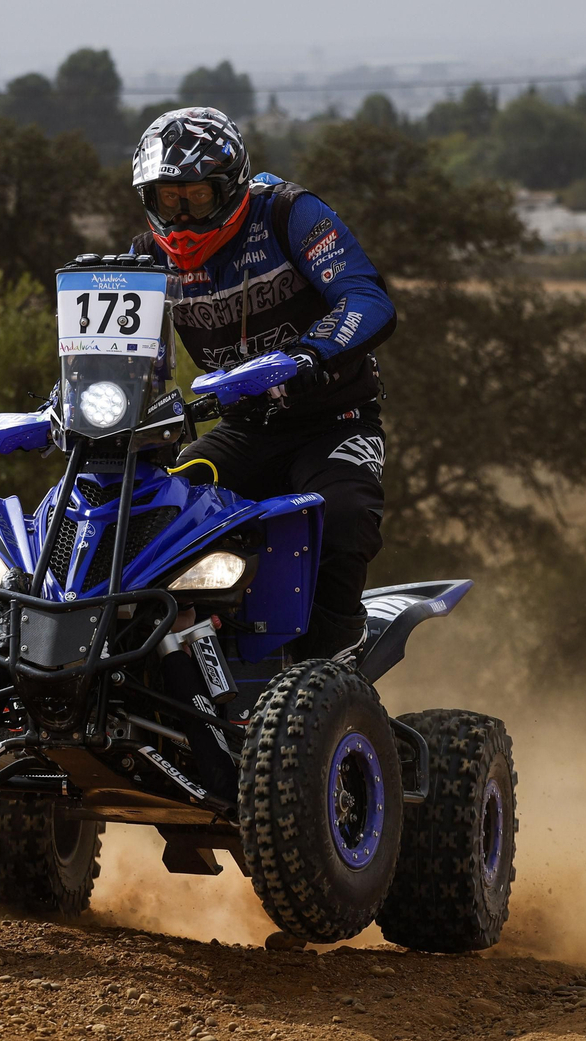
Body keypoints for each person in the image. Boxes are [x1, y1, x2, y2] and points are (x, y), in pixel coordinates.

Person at [129, 107, 396, 661]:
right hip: (242, 429)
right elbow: (138, 372)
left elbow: (366, 299)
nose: (180, 215)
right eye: (166, 198)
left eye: (196, 196)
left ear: (230, 188)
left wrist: (306, 354)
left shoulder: (289, 214)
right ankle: (166, 660)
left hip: (333, 420)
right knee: (147, 516)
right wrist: (77, 404)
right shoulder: (145, 260)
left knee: (341, 517)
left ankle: (337, 656)